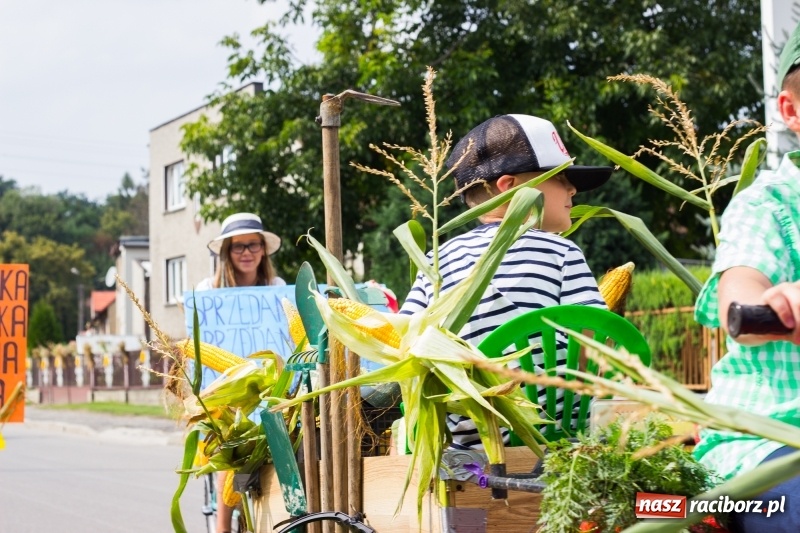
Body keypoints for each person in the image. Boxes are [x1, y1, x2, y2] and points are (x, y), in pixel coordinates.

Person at [400, 114, 613, 449]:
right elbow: (598, 345)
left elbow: (403, 338)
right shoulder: (561, 252)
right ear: (509, 188)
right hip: (553, 438)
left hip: (466, 444)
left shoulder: (436, 261)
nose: (572, 189)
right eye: (560, 178)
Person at [692, 23, 800, 533]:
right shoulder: (768, 206)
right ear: (791, 111)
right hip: (770, 440)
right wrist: (780, 302)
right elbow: (740, 302)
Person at [196, 212, 284, 533]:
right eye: (238, 247)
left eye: (253, 245)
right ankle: (223, 528)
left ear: (263, 250)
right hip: (227, 392)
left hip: (267, 387)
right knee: (230, 448)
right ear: (226, 254)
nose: (246, 253)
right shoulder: (208, 290)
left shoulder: (276, 287)